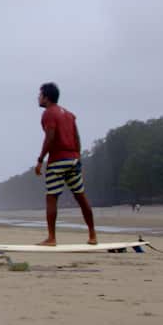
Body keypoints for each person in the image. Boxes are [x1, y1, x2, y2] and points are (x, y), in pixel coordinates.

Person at [34, 82, 97, 245]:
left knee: (52, 197)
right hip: (74, 158)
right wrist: (78, 158)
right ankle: (92, 235)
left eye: (40, 95)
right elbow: (77, 138)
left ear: (46, 98)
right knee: (80, 196)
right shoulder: (69, 115)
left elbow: (50, 137)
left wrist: (40, 159)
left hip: (58, 160)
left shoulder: (49, 113)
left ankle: (51, 238)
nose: (38, 98)